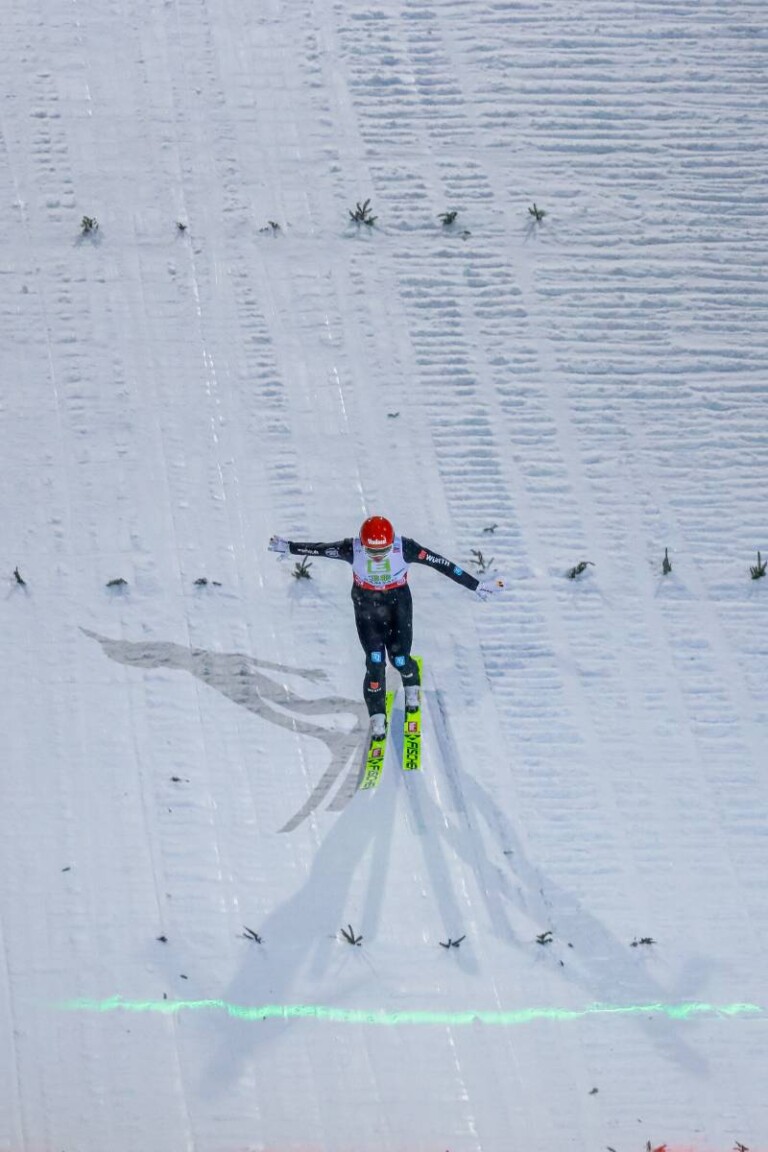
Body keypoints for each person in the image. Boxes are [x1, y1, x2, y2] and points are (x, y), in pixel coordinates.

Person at [268, 515, 503, 737]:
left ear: (391, 544)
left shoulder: (405, 547)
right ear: (363, 544)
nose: (378, 556)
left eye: (383, 550)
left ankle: (411, 685)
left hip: (397, 604)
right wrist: (289, 547)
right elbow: (319, 548)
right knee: (375, 662)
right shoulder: (352, 548)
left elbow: (441, 563)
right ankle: (377, 715)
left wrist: (476, 585)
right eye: (372, 551)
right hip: (366, 606)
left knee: (400, 658)